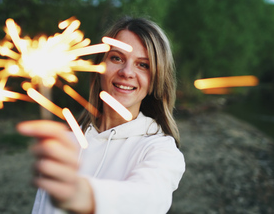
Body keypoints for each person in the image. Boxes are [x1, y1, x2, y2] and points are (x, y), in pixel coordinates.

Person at [17, 17, 185, 214]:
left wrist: (83, 195)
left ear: (156, 79)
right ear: (99, 67)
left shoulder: (160, 150)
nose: (127, 72)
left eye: (143, 65)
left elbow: (148, 198)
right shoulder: (66, 141)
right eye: (117, 58)